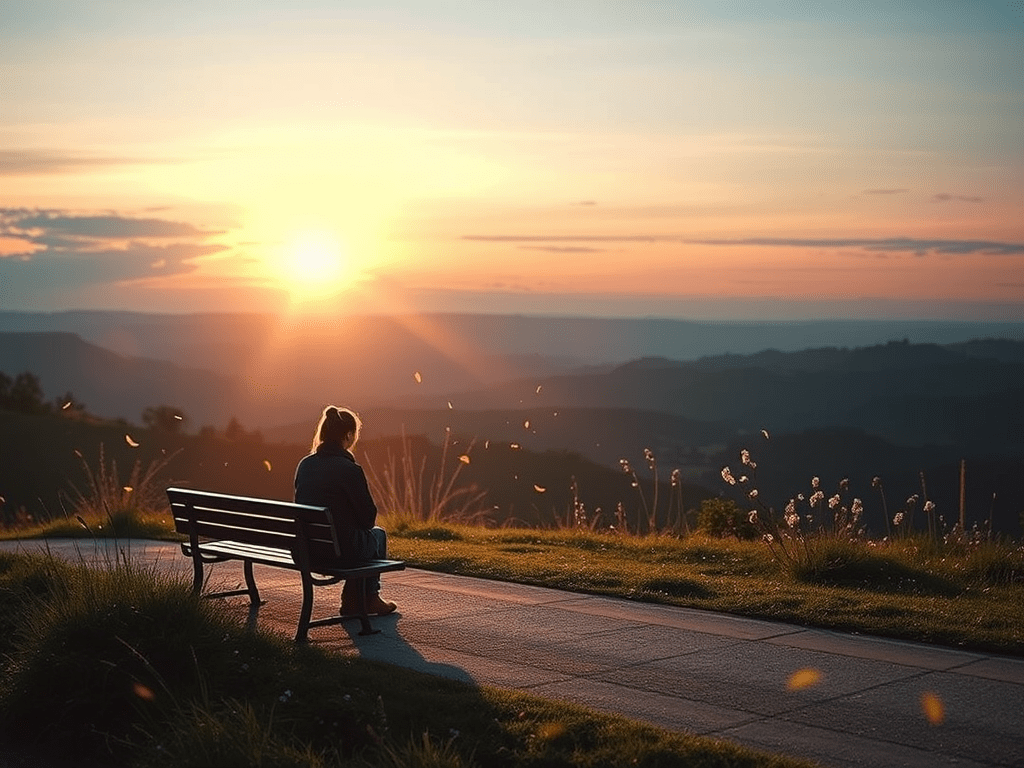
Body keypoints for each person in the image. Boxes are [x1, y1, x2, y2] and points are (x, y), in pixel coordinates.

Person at [294, 405, 397, 616]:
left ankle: (353, 599)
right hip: (338, 552)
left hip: (306, 549)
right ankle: (370, 598)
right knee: (377, 535)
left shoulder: (305, 465)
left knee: (356, 538)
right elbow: (368, 520)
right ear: (348, 435)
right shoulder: (350, 470)